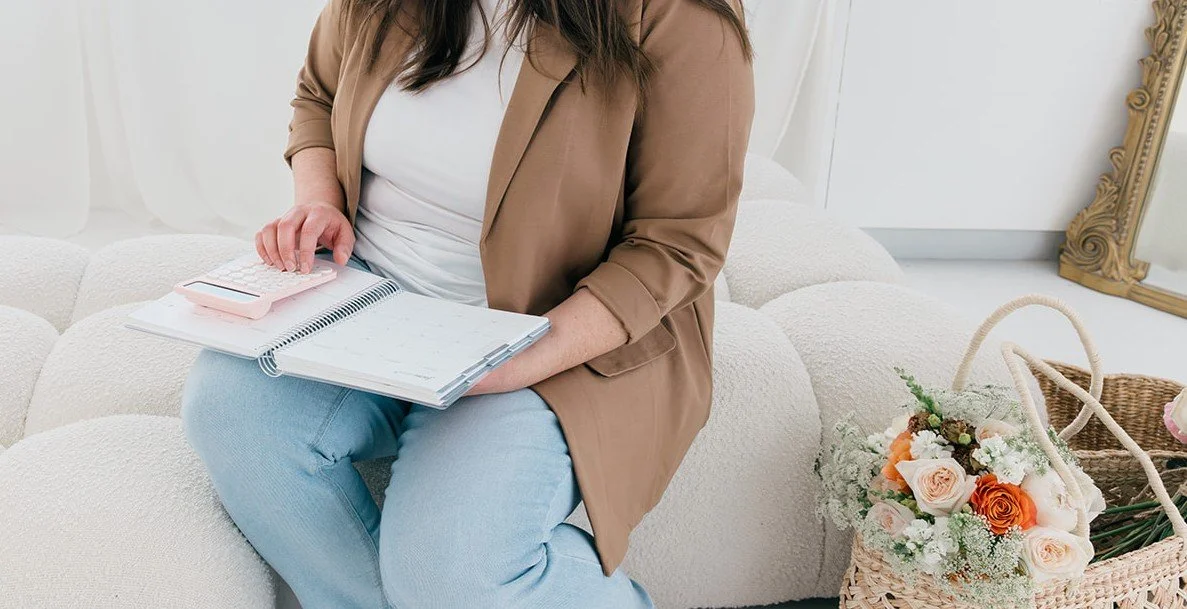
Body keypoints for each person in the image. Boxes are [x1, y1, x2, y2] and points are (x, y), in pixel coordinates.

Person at [181, 0, 753, 607]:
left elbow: (677, 242)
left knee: (447, 572)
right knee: (232, 414)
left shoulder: (677, 15)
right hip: (374, 293)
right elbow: (319, 98)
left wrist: (521, 360)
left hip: (554, 324)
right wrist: (320, 201)